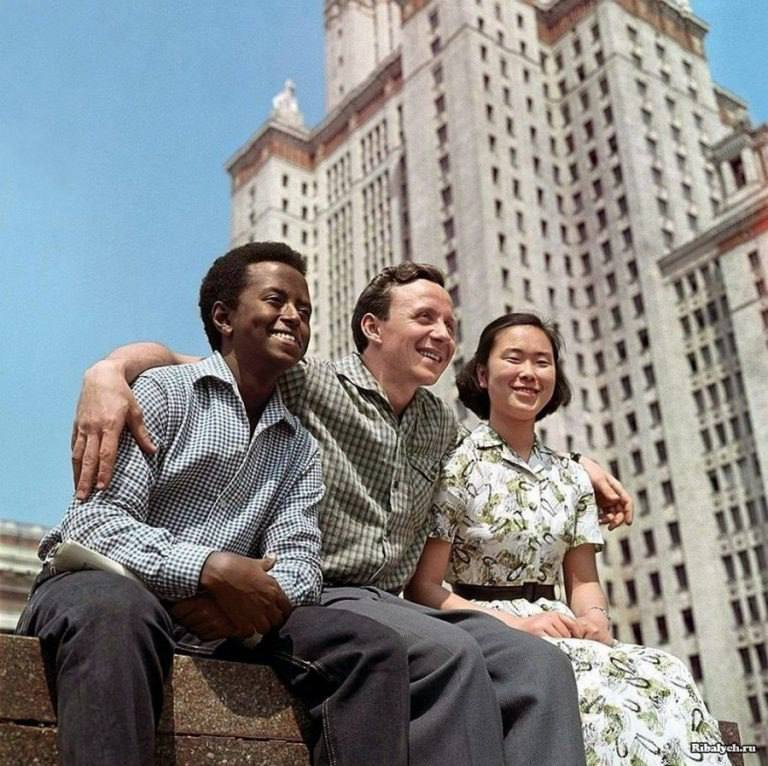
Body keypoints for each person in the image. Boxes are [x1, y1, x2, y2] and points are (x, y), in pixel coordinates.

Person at [70, 262, 634, 765]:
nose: (443, 335)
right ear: (373, 327)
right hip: (327, 591)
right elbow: (202, 362)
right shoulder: (308, 382)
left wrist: (576, 466)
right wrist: (109, 372)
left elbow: (501, 452)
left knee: (539, 665)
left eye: (449, 324)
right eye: (424, 318)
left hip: (398, 601)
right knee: (451, 655)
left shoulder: (440, 423)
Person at [17, 242, 415, 766]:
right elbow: (92, 523)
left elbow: (301, 564)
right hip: (99, 593)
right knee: (121, 610)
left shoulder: (299, 447)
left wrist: (241, 606)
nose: (294, 317)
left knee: (370, 648)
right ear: (224, 318)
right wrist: (208, 568)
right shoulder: (160, 392)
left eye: (305, 309)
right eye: (276, 300)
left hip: (226, 619)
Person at [405, 312, 728, 765]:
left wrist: (595, 621)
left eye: (542, 362)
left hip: (562, 624)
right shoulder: (456, 464)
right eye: (513, 359)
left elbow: (583, 580)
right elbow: (423, 587)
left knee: (667, 672)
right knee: (596, 696)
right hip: (483, 627)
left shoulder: (572, 476)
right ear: (481, 374)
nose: (529, 373)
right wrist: (515, 624)